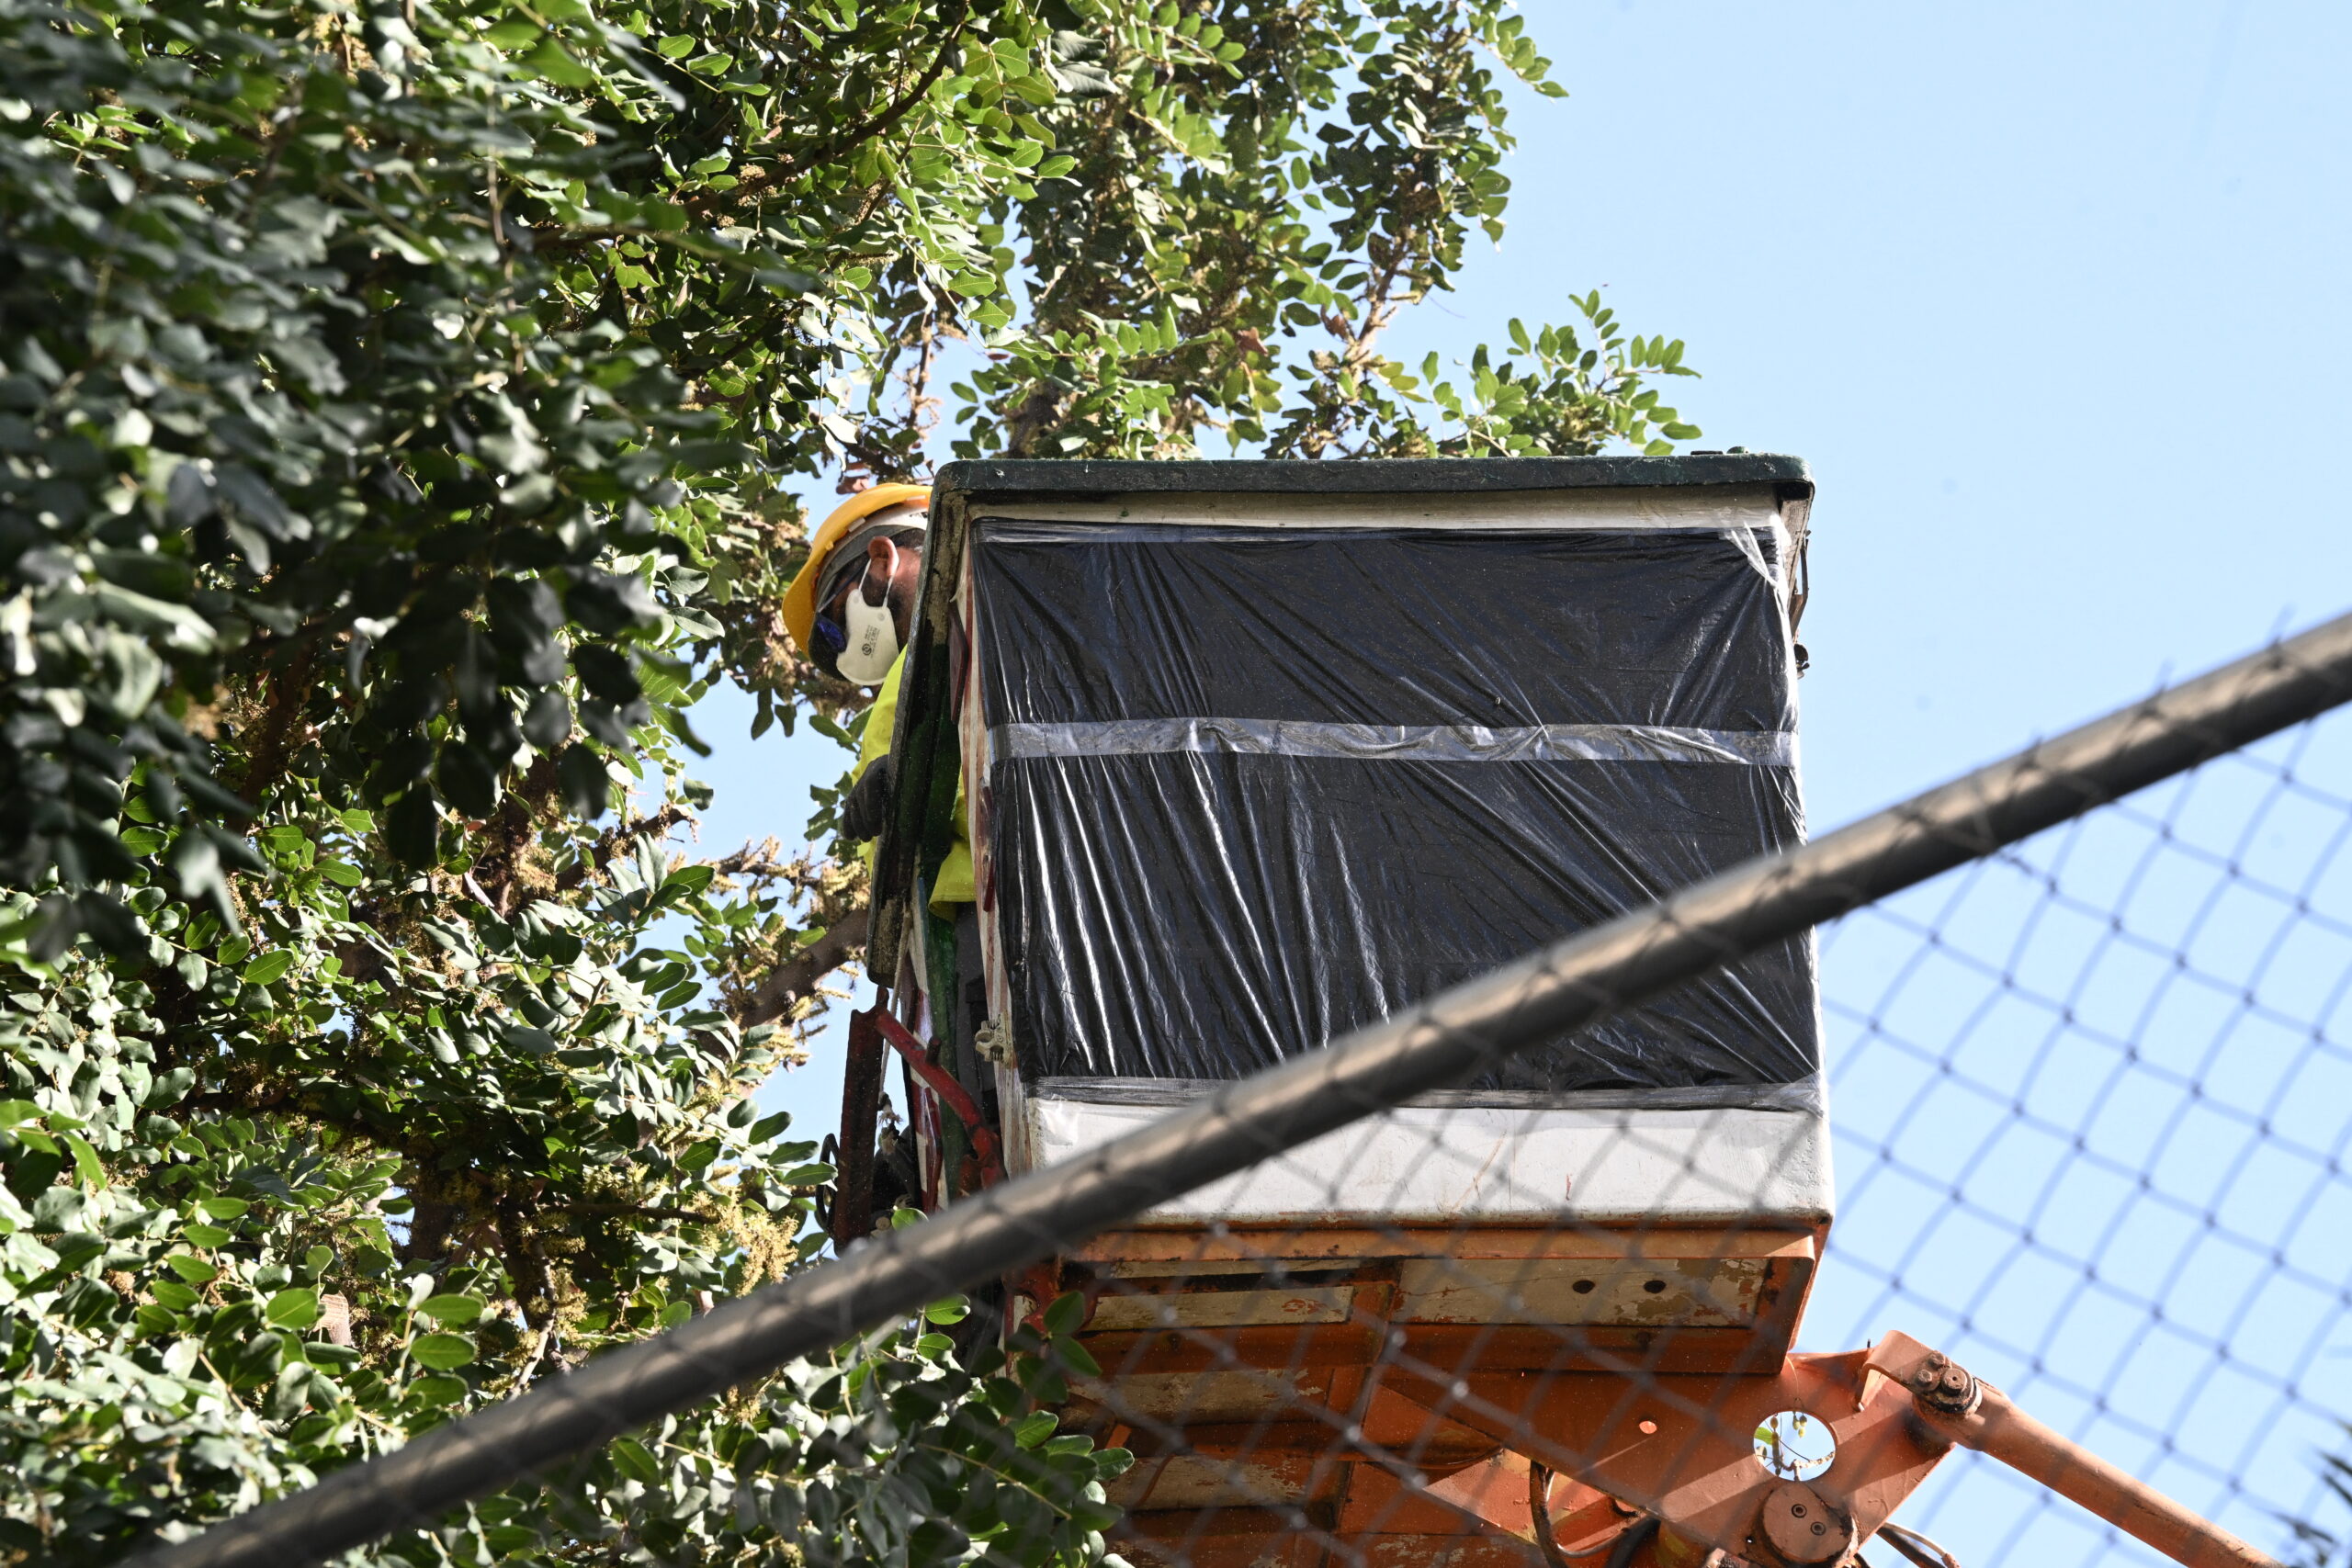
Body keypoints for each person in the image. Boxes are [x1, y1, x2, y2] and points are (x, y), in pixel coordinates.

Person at [781, 483, 974, 911]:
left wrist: (924, 778)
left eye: (836, 627)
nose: (848, 654)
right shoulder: (922, 670)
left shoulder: (997, 599)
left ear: (882, 559)